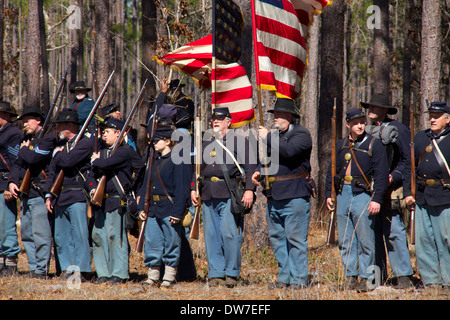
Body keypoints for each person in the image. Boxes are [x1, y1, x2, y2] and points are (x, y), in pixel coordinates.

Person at [251, 98, 315, 289]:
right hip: (275, 195)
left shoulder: (302, 134)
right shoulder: (276, 136)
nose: (275, 118)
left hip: (295, 195)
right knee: (278, 239)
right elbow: (272, 161)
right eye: (274, 115)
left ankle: (298, 280)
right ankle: (284, 278)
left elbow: (290, 152)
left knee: (295, 240)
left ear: (290, 116)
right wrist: (259, 172)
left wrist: (269, 137)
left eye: (279, 115)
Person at [190, 107, 257, 287]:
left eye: (220, 118)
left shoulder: (239, 141)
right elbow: (196, 168)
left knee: (230, 234)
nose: (216, 121)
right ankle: (216, 273)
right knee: (211, 235)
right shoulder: (205, 142)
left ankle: (232, 273)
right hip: (208, 192)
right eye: (213, 118)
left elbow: (251, 167)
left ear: (229, 121)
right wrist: (193, 189)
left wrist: (250, 189)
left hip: (229, 192)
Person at [325, 108, 389, 292]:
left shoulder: (374, 144)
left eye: (362, 122)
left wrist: (376, 198)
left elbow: (381, 174)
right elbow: (332, 170)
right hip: (342, 193)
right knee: (346, 240)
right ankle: (350, 277)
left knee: (366, 241)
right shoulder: (340, 144)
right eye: (355, 123)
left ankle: (368, 279)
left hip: (363, 194)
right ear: (347, 125)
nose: (360, 125)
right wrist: (329, 195)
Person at [361, 93, 414, 289]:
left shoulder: (398, 129)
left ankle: (404, 276)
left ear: (385, 110)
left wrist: (394, 176)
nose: (371, 110)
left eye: (376, 107)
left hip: (391, 189)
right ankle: (377, 276)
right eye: (370, 107)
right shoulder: (365, 132)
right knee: (372, 233)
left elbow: (406, 160)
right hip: (369, 190)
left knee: (394, 231)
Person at [87, 117, 143, 284]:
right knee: (98, 236)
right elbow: (90, 175)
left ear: (118, 133)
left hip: (116, 200)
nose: (103, 135)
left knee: (114, 236)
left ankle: (119, 273)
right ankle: (103, 272)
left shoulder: (124, 151)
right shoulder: (101, 153)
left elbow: (108, 164)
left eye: (107, 132)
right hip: (99, 202)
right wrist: (92, 188)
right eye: (102, 132)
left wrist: (134, 187)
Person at [404, 101, 450, 295]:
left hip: (445, 196)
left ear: (447, 119)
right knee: (424, 241)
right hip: (422, 196)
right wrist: (407, 193)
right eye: (430, 115)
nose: (432, 118)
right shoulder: (421, 138)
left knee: (446, 240)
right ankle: (431, 281)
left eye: (436, 116)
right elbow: (409, 167)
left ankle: (448, 282)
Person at [138, 125, 192, 288]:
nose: (153, 143)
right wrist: (142, 208)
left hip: (169, 208)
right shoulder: (154, 160)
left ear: (168, 141)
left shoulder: (178, 160)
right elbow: (145, 186)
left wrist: (177, 212)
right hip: (153, 208)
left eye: (157, 140)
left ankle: (169, 276)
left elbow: (182, 189)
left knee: (172, 243)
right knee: (152, 242)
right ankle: (153, 276)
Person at [44, 109, 93, 281]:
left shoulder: (84, 143)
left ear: (70, 125)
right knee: (61, 236)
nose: (57, 128)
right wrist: (48, 195)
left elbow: (68, 161)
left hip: (77, 195)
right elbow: (52, 172)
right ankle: (67, 268)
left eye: (60, 125)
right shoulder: (62, 146)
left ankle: (82, 269)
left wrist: (58, 155)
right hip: (60, 196)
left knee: (79, 234)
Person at [8, 106, 56, 279]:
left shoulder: (48, 138)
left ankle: (41, 270)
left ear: (39, 121)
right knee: (27, 234)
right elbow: (17, 163)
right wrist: (13, 181)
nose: (24, 124)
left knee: (41, 234)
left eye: (28, 120)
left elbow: (34, 158)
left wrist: (23, 150)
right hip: (25, 193)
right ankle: (33, 268)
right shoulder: (25, 140)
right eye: (23, 121)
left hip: (39, 192)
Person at [0, 102, 22, 277]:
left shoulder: (13, 133)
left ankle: (10, 260)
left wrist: (11, 183)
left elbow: (16, 161)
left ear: (6, 115)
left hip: (5, 181)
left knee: (6, 224)